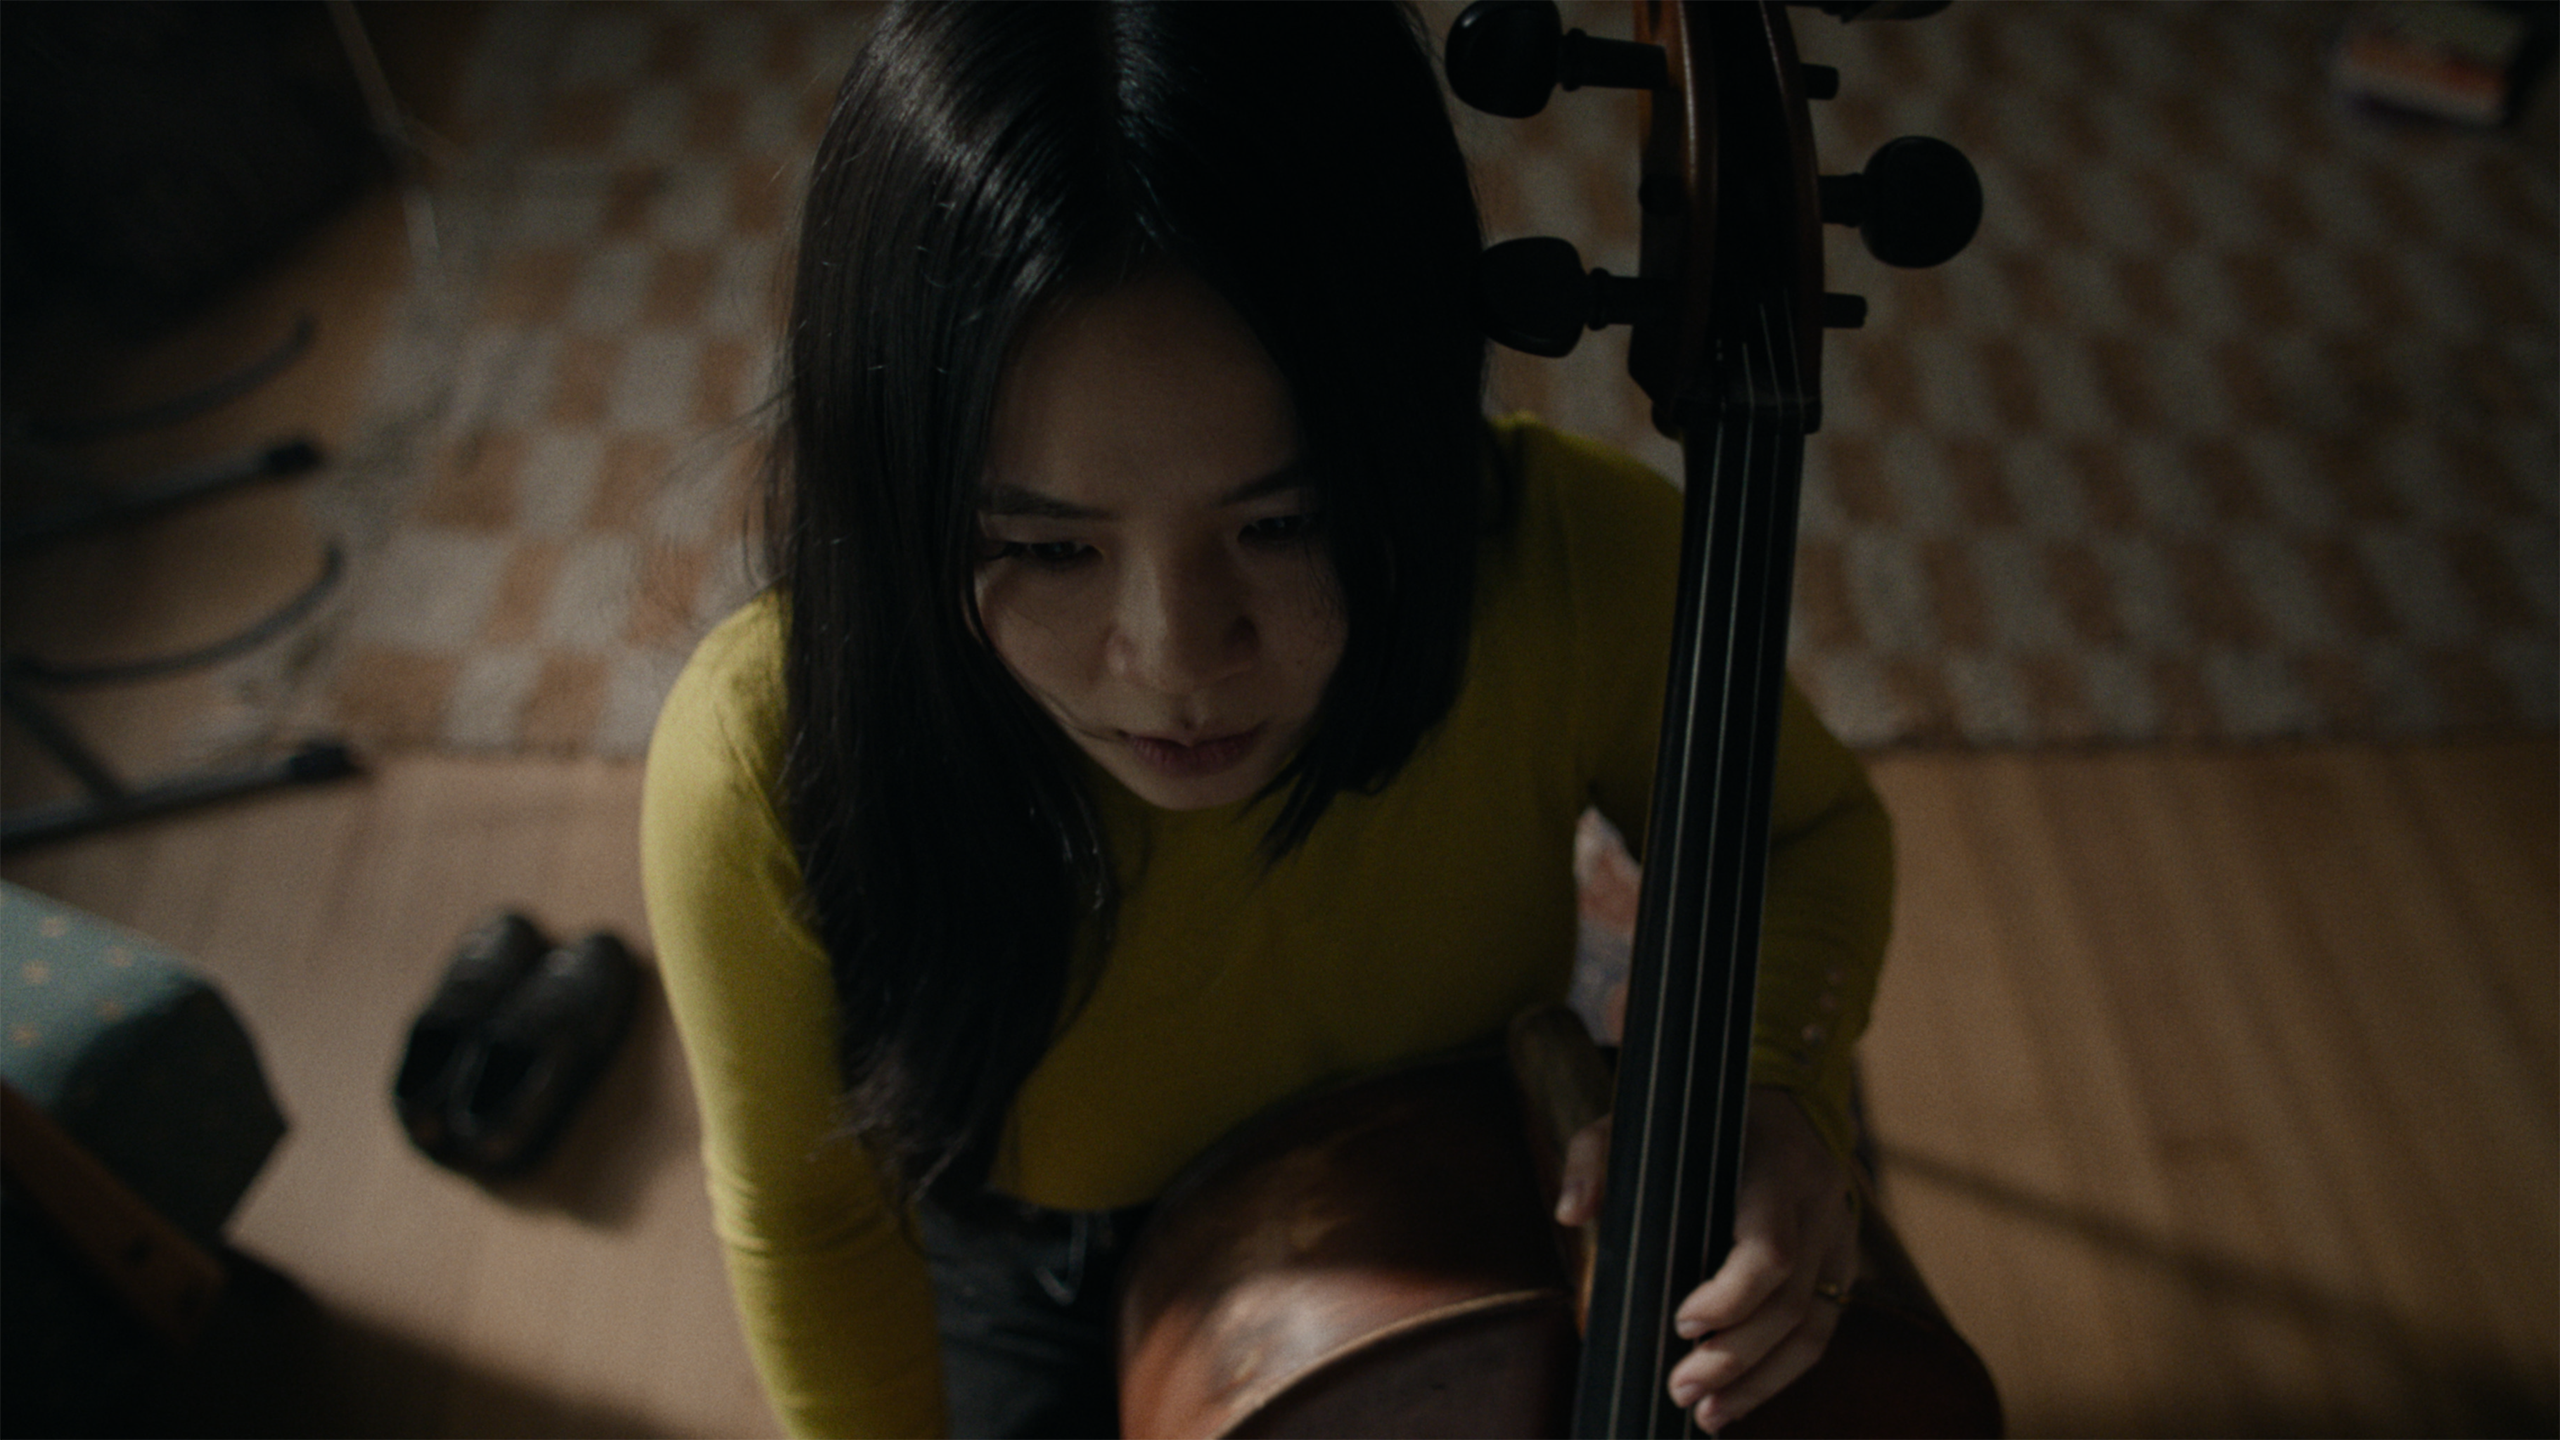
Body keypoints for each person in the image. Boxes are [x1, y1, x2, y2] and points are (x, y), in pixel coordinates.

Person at [639, 1, 1893, 1437]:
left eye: (1286, 521)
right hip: (1044, 1261)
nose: (1178, 659)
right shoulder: (759, 758)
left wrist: (1772, 1080)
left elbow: (1810, 831)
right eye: (1047, 548)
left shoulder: (1567, 564)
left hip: (1457, 1175)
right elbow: (808, 1227)